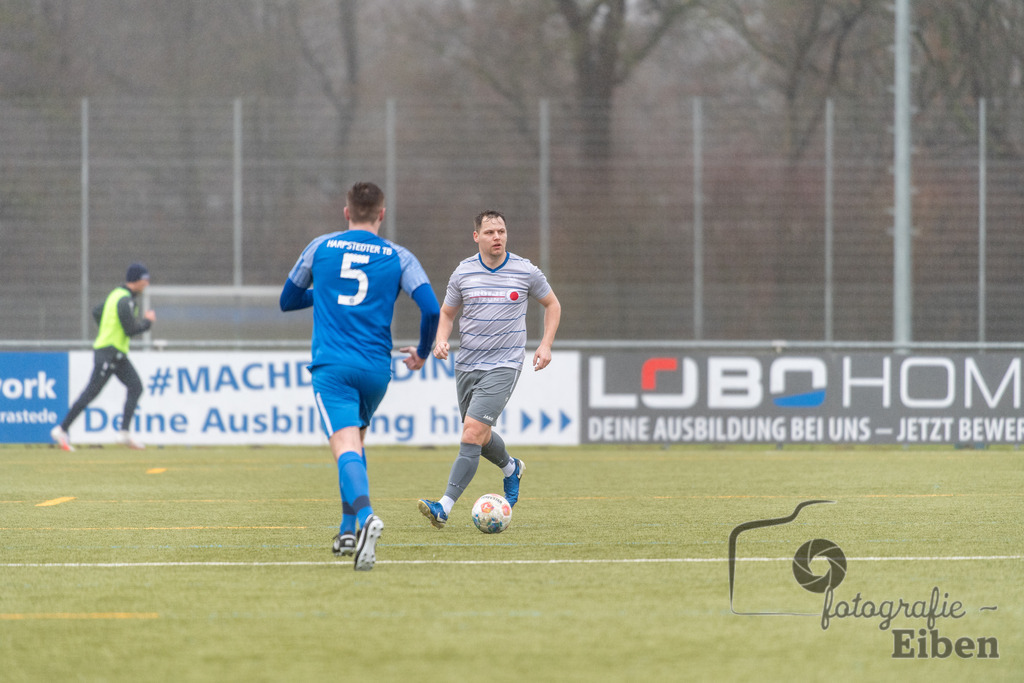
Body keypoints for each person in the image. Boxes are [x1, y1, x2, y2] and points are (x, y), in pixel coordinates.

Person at [280, 181, 440, 571]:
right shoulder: (400, 257)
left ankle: (366, 517)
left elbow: (287, 300)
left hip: (333, 367)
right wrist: (421, 352)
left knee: (344, 446)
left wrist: (327, 293)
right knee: (357, 441)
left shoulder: (320, 247)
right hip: (375, 370)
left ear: (346, 211)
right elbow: (432, 309)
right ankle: (347, 529)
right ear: (382, 214)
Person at [418, 210, 561, 529]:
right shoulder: (463, 273)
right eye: (490, 232)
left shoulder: (525, 271)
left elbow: (553, 305)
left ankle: (443, 507)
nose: (497, 237)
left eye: (502, 231)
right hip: (467, 365)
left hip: (505, 364)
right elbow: (447, 313)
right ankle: (512, 468)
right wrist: (441, 339)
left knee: (470, 432)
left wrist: (545, 344)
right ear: (476, 237)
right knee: (479, 435)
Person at [51, 262, 156, 451]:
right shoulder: (125, 300)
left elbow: (97, 311)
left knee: (136, 387)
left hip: (115, 353)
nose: (147, 284)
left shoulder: (116, 294)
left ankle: (124, 433)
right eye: (145, 280)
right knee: (91, 392)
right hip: (108, 353)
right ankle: (61, 429)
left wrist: (107, 329)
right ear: (137, 280)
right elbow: (130, 329)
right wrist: (147, 322)